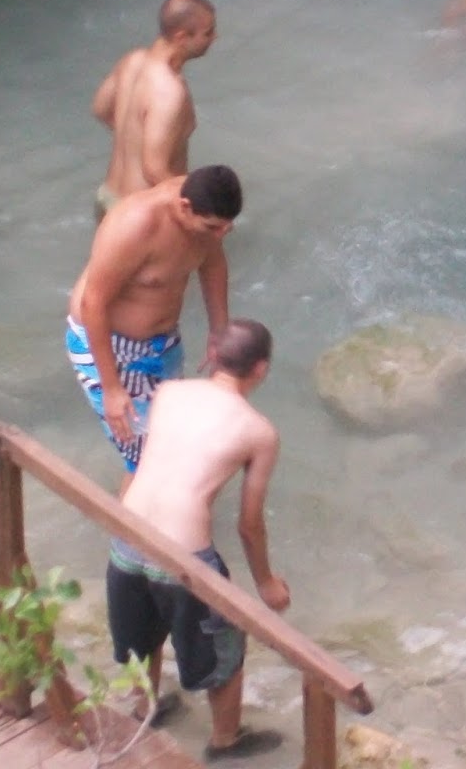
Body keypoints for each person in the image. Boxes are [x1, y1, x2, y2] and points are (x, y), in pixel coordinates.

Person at [106, 318, 289, 761]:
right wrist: (266, 583)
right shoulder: (258, 431)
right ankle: (226, 740)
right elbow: (249, 524)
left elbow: (142, 459)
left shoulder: (169, 392)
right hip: (183, 560)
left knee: (140, 638)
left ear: (213, 355)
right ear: (260, 369)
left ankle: (146, 709)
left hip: (127, 539)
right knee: (224, 650)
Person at [66, 165, 241, 482]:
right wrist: (111, 388)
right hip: (108, 344)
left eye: (226, 231)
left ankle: (171, 525)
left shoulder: (204, 217)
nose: (218, 237)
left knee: (172, 446)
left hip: (162, 343)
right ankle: (130, 532)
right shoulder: (135, 224)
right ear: (185, 207)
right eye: (212, 228)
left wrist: (219, 331)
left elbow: (213, 265)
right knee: (147, 464)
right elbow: (93, 303)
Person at [91, 0, 218, 220]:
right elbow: (154, 169)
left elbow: (100, 109)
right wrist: (200, 209)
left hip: (108, 197)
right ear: (181, 37)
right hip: (141, 215)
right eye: (207, 33)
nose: (215, 37)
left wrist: (134, 139)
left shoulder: (133, 60)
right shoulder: (169, 92)